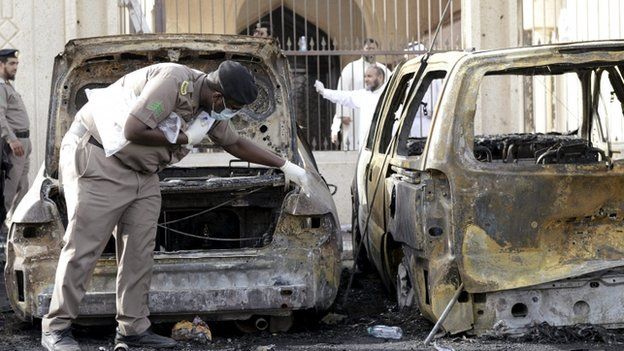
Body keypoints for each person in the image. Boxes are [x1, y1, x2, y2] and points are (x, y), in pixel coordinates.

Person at [41, 61, 311, 351]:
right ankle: (56, 329)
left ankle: (132, 330)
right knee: (83, 247)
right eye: (231, 106)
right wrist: (185, 138)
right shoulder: (173, 81)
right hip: (100, 157)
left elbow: (234, 143)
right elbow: (133, 129)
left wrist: (285, 165)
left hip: (144, 173)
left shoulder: (211, 108)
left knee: (139, 252)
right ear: (218, 95)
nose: (230, 113)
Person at [332, 38, 391, 150]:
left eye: (373, 48)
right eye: (368, 48)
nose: (370, 51)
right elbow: (342, 90)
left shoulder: (384, 70)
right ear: (362, 49)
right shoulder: (351, 68)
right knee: (354, 142)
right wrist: (343, 113)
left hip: (376, 111)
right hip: (354, 114)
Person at [316, 66, 386, 150]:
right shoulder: (364, 94)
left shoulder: (388, 94)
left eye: (369, 76)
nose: (366, 79)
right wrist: (324, 91)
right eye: (365, 76)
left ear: (380, 77)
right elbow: (344, 96)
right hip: (366, 147)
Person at [0, 49, 31, 230]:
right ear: (1, 65)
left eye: (17, 63)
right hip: (15, 145)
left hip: (23, 143)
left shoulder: (8, 86)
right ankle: (1, 226)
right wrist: (11, 140)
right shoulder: (1, 88)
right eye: (11, 63)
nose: (15, 67)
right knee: (9, 190)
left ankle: (14, 224)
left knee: (23, 186)